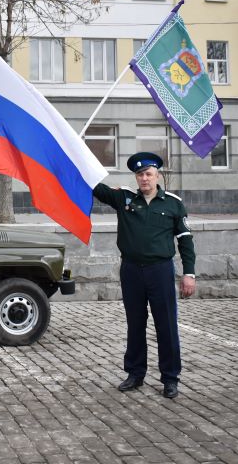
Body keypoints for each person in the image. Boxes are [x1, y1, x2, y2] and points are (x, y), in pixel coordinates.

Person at [92, 152, 195, 399]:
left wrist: (188, 274)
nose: (144, 179)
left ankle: (170, 378)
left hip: (160, 271)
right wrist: (74, 159)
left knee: (166, 326)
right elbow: (95, 187)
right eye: (140, 174)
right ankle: (135, 374)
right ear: (136, 177)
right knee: (135, 324)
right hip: (131, 271)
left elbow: (186, 241)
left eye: (148, 174)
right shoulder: (124, 198)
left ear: (157, 175)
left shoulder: (172, 203)